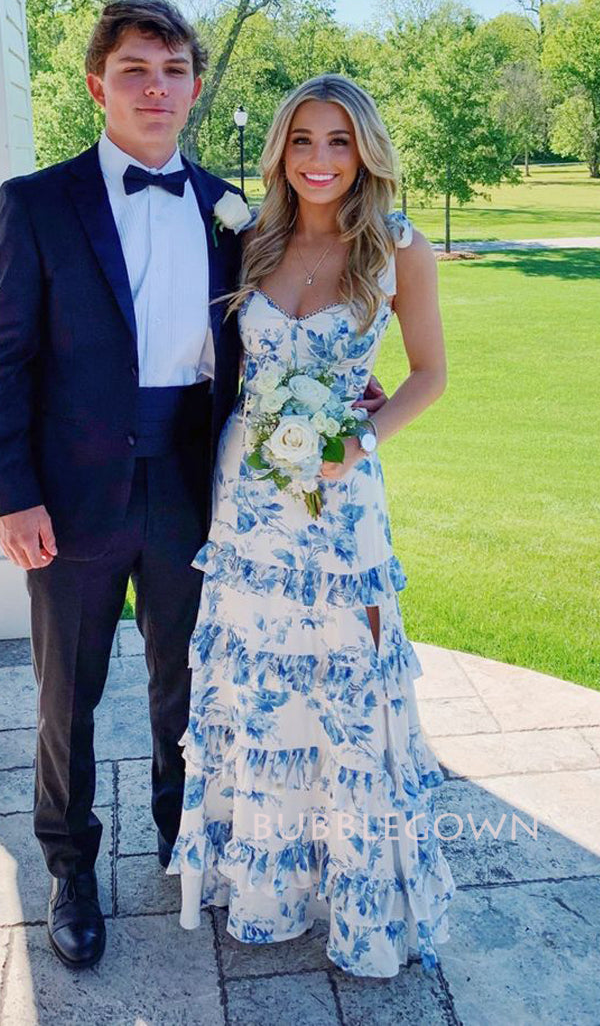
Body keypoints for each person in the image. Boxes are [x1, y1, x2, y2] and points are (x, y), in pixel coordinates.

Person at [167, 74, 456, 978]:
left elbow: (430, 376)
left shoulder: (397, 248)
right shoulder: (251, 238)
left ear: (365, 151)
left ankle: (359, 901)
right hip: (247, 505)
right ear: (281, 152)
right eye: (303, 140)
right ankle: (266, 885)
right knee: (260, 685)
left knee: (346, 682)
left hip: (340, 503)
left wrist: (359, 438)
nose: (320, 159)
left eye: (339, 141)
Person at [0, 0, 249, 970]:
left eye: (173, 70)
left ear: (195, 87)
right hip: (70, 494)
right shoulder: (36, 203)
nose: (156, 88)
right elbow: (6, 359)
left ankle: (183, 840)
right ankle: (70, 867)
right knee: (68, 694)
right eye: (135, 70)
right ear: (98, 86)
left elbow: (263, 336)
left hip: (193, 483)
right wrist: (13, 491)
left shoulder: (229, 209)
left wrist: (346, 376)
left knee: (186, 681)